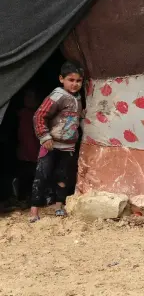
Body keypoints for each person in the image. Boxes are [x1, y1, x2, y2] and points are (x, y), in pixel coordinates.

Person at [29, 61, 84, 222]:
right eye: (71, 80)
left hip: (68, 146)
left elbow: (72, 116)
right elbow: (39, 116)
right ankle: (34, 211)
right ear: (61, 79)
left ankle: (58, 206)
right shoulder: (57, 96)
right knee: (42, 175)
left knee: (63, 176)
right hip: (51, 144)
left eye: (78, 81)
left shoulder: (77, 98)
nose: (74, 84)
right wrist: (44, 136)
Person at [15, 89, 41, 204]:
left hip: (36, 153)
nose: (28, 99)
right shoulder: (20, 114)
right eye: (27, 97)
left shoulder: (39, 115)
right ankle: (22, 199)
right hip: (24, 153)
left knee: (34, 178)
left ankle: (32, 199)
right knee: (24, 177)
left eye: (31, 97)